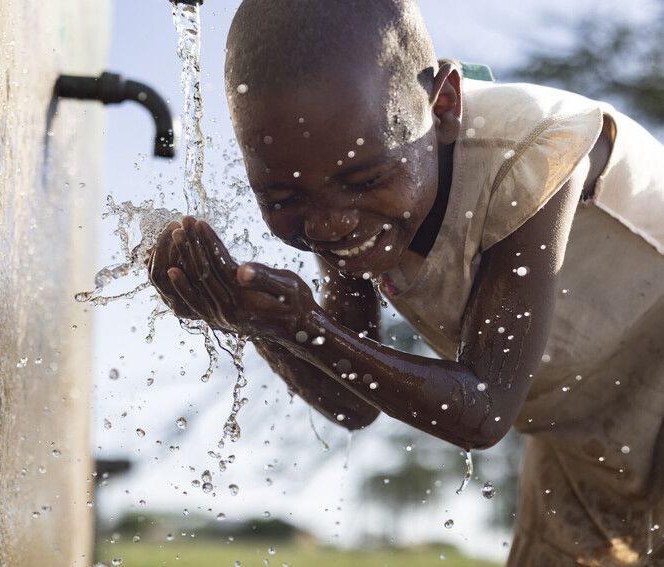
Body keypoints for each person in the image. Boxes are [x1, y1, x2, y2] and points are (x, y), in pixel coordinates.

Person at [146, 1, 664, 564]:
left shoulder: (531, 148)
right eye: (283, 198)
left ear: (442, 106)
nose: (329, 224)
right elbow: (352, 404)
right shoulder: (350, 202)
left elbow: (484, 408)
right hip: (578, 435)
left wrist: (305, 324)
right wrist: (257, 323)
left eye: (366, 179)